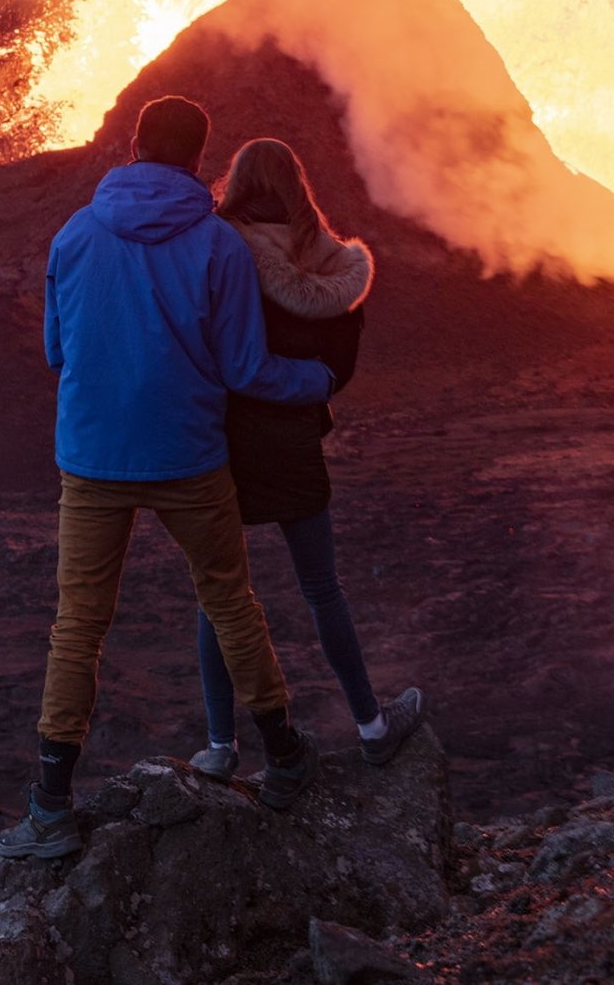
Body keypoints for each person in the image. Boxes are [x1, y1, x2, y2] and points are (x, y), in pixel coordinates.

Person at [0, 97, 335, 862]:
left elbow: (57, 349)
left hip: (91, 457)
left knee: (78, 626)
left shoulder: (75, 234)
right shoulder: (218, 246)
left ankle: (51, 806)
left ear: (132, 144)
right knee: (228, 602)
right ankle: (283, 759)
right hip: (187, 454)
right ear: (197, 159)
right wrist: (317, 379)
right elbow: (244, 367)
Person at [187, 137, 424, 783]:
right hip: (292, 444)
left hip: (223, 442)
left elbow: (199, 341)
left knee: (217, 597)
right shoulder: (332, 267)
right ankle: (372, 726)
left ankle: (219, 745)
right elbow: (334, 371)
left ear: (235, 185)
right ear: (297, 186)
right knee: (322, 589)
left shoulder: (217, 251)